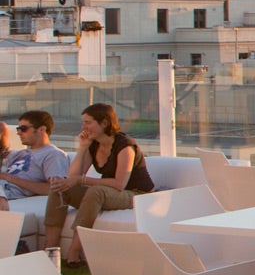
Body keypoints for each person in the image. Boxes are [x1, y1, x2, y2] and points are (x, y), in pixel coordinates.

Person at [44, 103, 154, 264]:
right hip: (112, 192)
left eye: (88, 122)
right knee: (60, 189)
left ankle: (74, 252)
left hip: (137, 194)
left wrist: (82, 180)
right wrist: (82, 148)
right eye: (83, 122)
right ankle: (50, 250)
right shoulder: (93, 144)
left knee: (96, 191)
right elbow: (72, 177)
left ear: (104, 123)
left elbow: (119, 184)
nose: (84, 127)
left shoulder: (125, 145)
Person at [0, 111, 71, 212]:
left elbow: (53, 189)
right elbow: (3, 149)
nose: (18, 133)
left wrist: (9, 178)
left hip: (7, 192)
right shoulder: (21, 153)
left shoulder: (53, 154)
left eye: (23, 129)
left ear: (42, 129)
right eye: (18, 129)